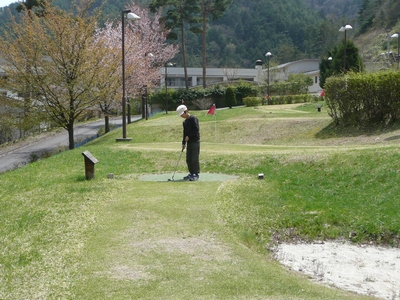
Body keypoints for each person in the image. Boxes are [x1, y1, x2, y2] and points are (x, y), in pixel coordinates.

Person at [176, 104, 200, 181]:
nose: (181, 116)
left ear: (186, 111)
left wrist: (189, 136)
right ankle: (191, 173)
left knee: (194, 158)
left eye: (182, 114)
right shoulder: (184, 122)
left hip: (195, 141)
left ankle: (195, 174)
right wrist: (183, 143)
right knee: (188, 159)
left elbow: (196, 130)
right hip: (189, 142)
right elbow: (184, 133)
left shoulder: (193, 119)